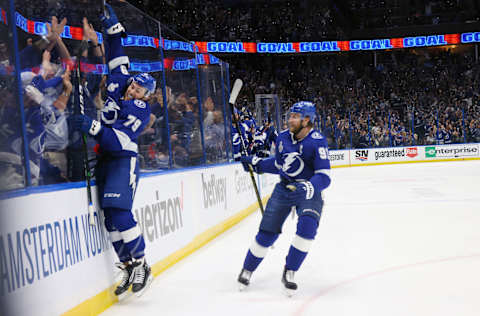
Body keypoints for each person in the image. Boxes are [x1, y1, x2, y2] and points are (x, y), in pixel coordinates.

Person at [68, 4, 155, 298]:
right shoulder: (121, 82)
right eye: (133, 87)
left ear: (146, 97)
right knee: (109, 219)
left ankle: (143, 263)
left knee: (120, 212)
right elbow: (117, 57)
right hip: (106, 158)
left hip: (122, 159)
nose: (133, 91)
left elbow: (116, 139)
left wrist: (91, 127)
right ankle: (129, 264)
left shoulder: (141, 110)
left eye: (139, 91)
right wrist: (112, 29)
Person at [237, 101, 331, 296]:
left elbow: (324, 176)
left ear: (307, 120)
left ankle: (290, 271)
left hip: (309, 191)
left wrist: (309, 186)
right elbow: (280, 165)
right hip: (285, 189)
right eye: (290, 116)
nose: (290, 120)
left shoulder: (317, 141)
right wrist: (258, 164)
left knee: (308, 228)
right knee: (267, 234)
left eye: (295, 117)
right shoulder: (282, 138)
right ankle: (247, 269)